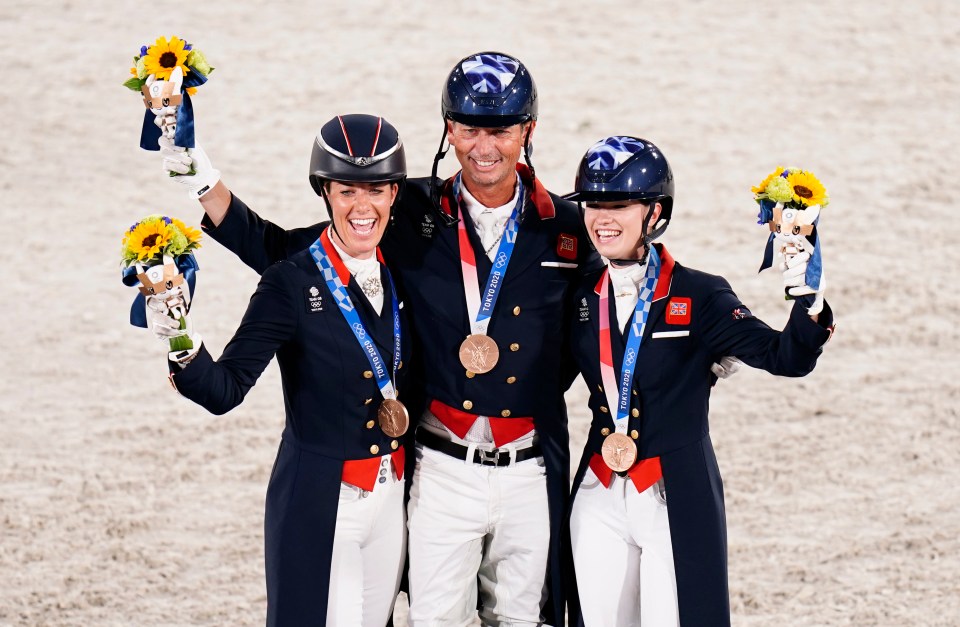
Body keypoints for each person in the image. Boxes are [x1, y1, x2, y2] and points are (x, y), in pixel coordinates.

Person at [158, 51, 596, 625]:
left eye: (501, 130)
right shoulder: (403, 208)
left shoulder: (567, 227)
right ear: (448, 130)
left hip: (532, 464)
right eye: (469, 129)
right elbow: (278, 249)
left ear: (528, 131)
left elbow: (618, 303)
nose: (483, 147)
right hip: (440, 462)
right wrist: (194, 169)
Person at [148, 114, 412, 626]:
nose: (363, 206)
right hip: (322, 500)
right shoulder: (290, 281)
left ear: (395, 194)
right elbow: (223, 390)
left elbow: (263, 240)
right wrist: (178, 334)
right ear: (325, 193)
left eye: (377, 189)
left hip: (392, 497)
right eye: (346, 191)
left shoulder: (401, 255)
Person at [561, 136, 835, 626]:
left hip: (674, 493)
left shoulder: (700, 294)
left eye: (619, 204)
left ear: (655, 211)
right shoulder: (580, 293)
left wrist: (807, 298)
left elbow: (784, 357)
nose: (602, 217)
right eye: (594, 204)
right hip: (599, 489)